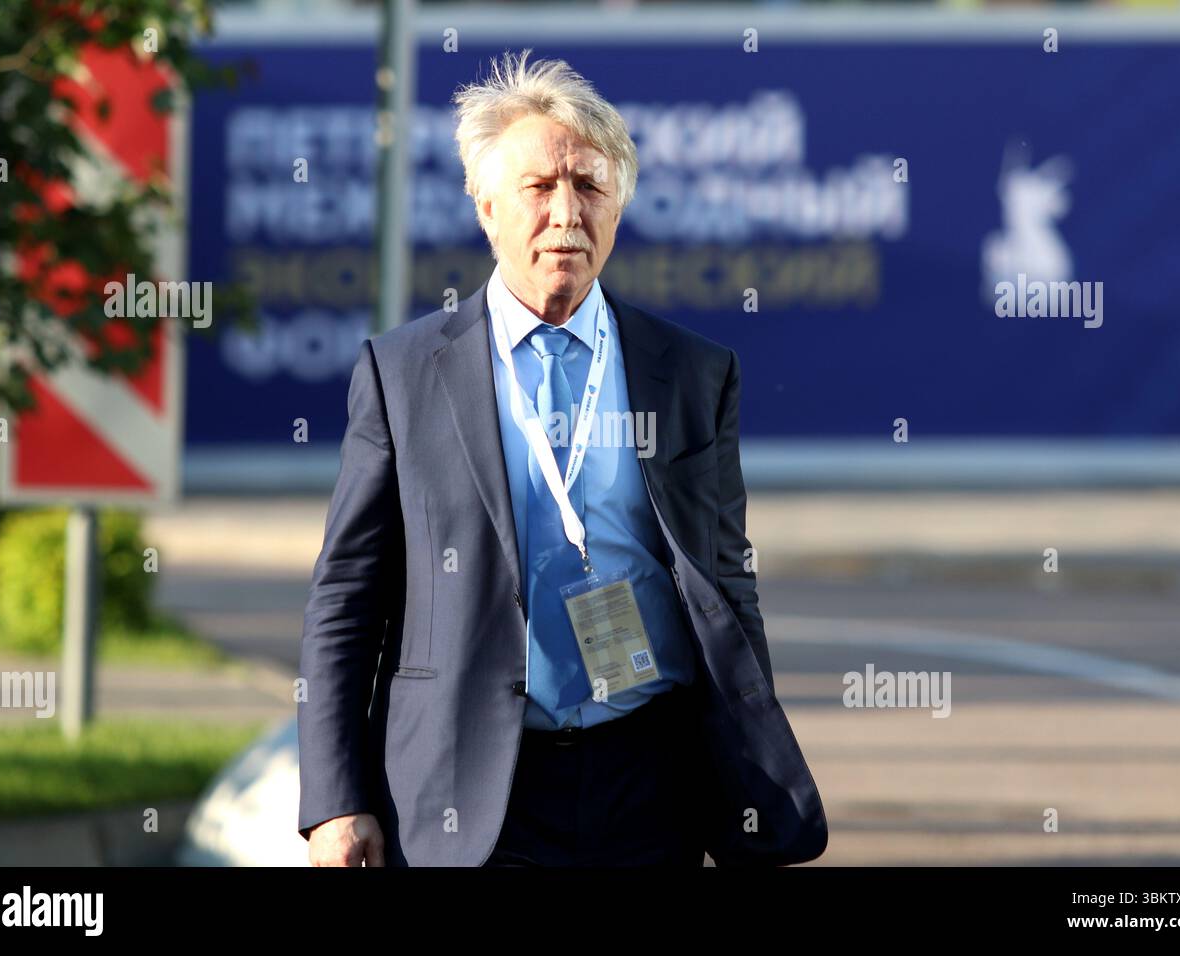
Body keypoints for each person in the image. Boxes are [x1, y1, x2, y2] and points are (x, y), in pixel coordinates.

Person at [297, 49, 827, 867]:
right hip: (469, 789)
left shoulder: (691, 371)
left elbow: (727, 581)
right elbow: (347, 597)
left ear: (618, 206)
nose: (566, 214)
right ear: (485, 207)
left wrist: (744, 770)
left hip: (650, 779)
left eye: (589, 186)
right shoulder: (401, 374)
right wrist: (336, 801)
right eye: (539, 189)